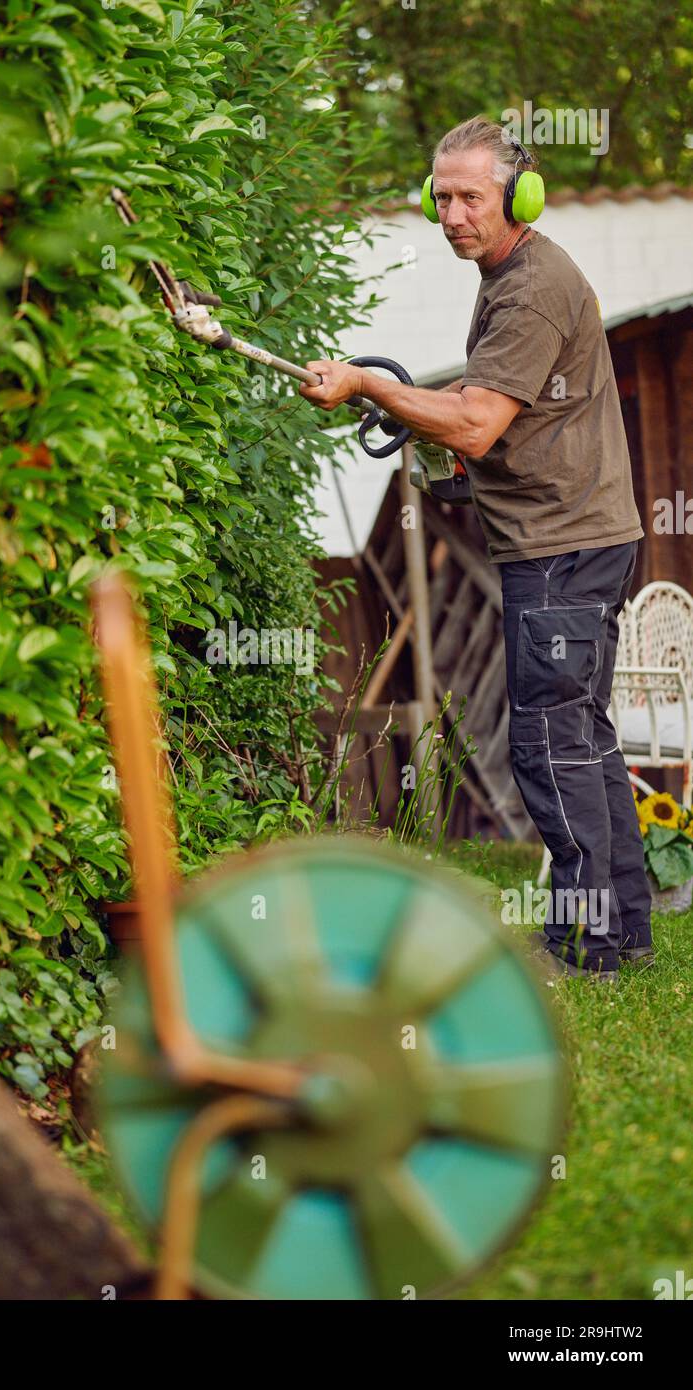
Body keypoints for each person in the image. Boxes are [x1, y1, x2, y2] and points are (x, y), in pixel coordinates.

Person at [299, 115, 654, 982]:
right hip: (583, 539)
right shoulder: (507, 277)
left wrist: (374, 385)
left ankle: (587, 946)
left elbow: (480, 419)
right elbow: (492, 408)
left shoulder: (531, 288)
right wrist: (416, 412)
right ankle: (626, 928)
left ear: (517, 194)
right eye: (441, 195)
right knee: (584, 736)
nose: (453, 213)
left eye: (471, 196)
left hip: (562, 551)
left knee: (546, 742)